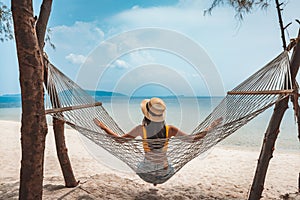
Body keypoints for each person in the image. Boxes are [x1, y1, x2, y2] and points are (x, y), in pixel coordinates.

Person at [93, 97, 222, 185]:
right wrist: (210, 127)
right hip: (164, 173)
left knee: (144, 163)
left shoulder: (140, 129)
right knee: (165, 164)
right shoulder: (170, 129)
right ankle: (157, 179)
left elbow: (119, 141)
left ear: (146, 114)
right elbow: (194, 139)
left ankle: (153, 179)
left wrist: (104, 127)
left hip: (146, 173)